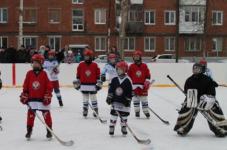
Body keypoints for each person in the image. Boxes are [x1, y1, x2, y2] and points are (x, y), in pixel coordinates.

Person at [174, 63, 227, 137]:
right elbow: (187, 91)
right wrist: (189, 97)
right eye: (194, 69)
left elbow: (212, 92)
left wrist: (208, 98)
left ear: (201, 70)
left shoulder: (208, 79)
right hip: (193, 99)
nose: (195, 70)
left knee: (215, 107)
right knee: (186, 108)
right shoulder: (189, 80)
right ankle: (182, 127)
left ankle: (221, 128)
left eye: (197, 69)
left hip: (206, 99)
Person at [20, 54, 53, 140]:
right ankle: (29, 130)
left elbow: (49, 86)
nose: (34, 64)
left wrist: (47, 95)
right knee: (30, 115)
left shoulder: (46, 73)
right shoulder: (29, 73)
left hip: (42, 99)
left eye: (36, 63)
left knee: (46, 114)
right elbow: (26, 85)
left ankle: (49, 131)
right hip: (32, 98)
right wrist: (25, 93)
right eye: (33, 63)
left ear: (41, 63)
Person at [106, 61, 133, 136]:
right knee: (113, 115)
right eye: (118, 69)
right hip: (115, 101)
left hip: (124, 102)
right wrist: (109, 97)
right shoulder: (114, 79)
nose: (119, 71)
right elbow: (111, 89)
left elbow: (130, 92)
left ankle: (123, 127)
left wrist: (128, 99)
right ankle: (112, 126)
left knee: (124, 116)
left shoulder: (128, 80)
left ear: (125, 70)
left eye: (121, 69)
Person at [73, 49, 102, 117]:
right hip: (84, 84)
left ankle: (95, 109)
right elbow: (78, 74)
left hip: (92, 85)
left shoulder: (95, 65)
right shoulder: (81, 64)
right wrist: (78, 81)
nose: (86, 57)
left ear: (91, 56)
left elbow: (98, 74)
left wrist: (98, 83)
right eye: (85, 56)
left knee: (93, 97)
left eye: (87, 56)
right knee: (85, 98)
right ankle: (85, 109)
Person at [128, 50, 151, 118]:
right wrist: (130, 85)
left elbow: (148, 74)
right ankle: (137, 111)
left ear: (140, 57)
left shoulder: (144, 65)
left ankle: (146, 111)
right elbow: (129, 76)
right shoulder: (131, 66)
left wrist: (147, 81)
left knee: (144, 99)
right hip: (134, 85)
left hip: (142, 85)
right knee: (135, 99)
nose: (136, 58)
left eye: (137, 56)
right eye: (135, 56)